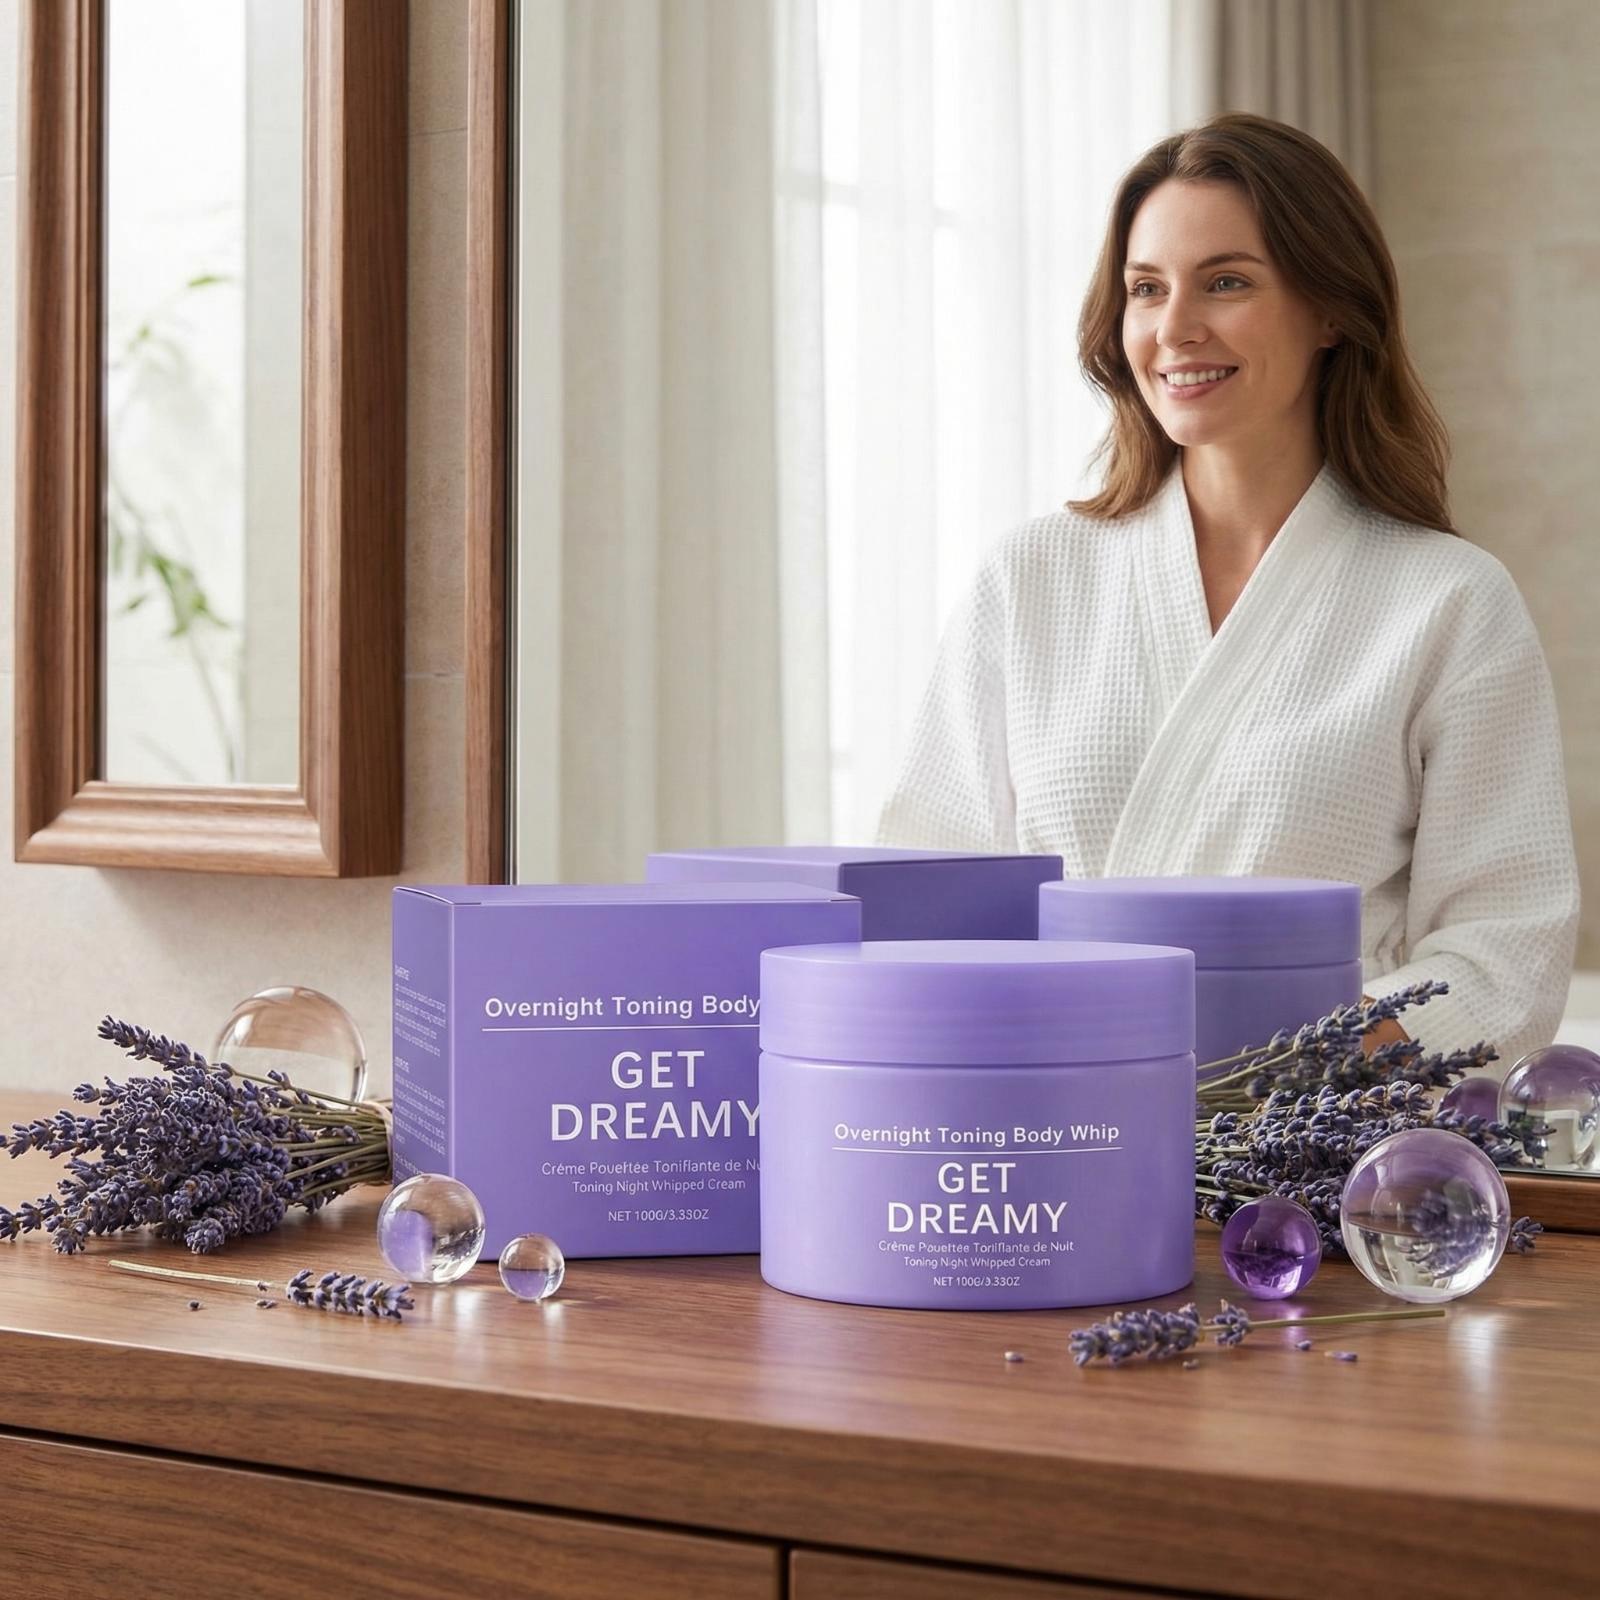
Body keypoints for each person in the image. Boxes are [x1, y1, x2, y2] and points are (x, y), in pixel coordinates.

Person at [875, 112, 1579, 1067]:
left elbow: (1506, 955)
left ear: (1331, 310)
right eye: (1145, 288)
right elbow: (926, 900)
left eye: (1227, 282)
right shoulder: (1030, 579)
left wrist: (1265, 1076)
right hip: (1046, 1109)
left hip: (1314, 1129)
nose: (1174, 329)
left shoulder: (1449, 602)